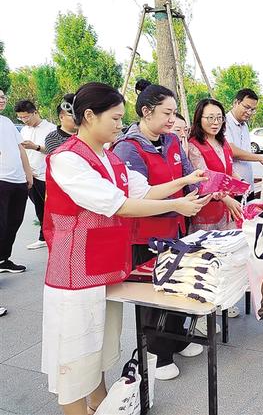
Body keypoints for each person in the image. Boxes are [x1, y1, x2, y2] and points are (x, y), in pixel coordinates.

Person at [41, 82, 208, 415]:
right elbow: (118, 204)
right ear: (90, 116)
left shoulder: (109, 157)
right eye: (115, 118)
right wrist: (178, 205)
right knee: (76, 355)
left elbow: (142, 191)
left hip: (105, 267)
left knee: (100, 345)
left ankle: (99, 402)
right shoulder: (68, 159)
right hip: (74, 272)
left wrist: (184, 183)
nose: (121, 125)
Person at [112, 79, 209, 380]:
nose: (172, 119)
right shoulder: (128, 148)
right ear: (146, 111)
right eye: (167, 113)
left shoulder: (171, 141)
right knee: (153, 294)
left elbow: (186, 175)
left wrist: (202, 192)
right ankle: (157, 353)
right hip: (146, 234)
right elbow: (139, 196)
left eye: (174, 113)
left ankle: (178, 340)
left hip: (176, 226)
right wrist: (181, 196)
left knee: (177, 287)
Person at [188, 98, 242, 232]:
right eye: (210, 118)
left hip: (227, 209)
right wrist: (227, 199)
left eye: (219, 118)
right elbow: (204, 179)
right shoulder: (194, 146)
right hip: (208, 210)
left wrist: (241, 183)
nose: (216, 122)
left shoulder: (222, 141)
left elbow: (229, 169)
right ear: (199, 119)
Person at [15, 100, 56, 250]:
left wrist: (36, 147)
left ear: (35, 112)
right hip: (30, 175)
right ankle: (44, 237)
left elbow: (55, 150)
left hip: (46, 175)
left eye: (26, 117)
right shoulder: (24, 130)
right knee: (39, 208)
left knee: (50, 208)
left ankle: (54, 237)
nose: (24, 120)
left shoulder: (51, 129)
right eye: (20, 118)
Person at [0, 88, 32, 275]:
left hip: (18, 181)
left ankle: (3, 259)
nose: (2, 100)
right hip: (1, 180)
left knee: (14, 222)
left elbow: (20, 149)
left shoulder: (6, 121)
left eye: (3, 97)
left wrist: (28, 173)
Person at [225, 89, 263, 201]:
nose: (249, 112)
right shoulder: (225, 123)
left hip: (248, 185)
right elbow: (231, 150)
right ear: (236, 103)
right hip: (234, 187)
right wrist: (260, 158)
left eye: (253, 109)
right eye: (246, 107)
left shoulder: (244, 125)